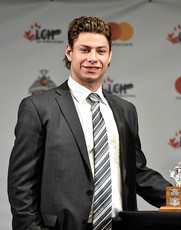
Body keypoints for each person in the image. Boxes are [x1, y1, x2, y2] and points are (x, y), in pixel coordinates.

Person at [7, 16, 172, 230]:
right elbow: (21, 183)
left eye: (101, 51)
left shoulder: (126, 110)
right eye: (85, 50)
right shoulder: (38, 107)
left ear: (110, 55)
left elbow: (137, 172)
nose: (93, 58)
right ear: (69, 52)